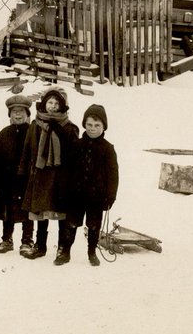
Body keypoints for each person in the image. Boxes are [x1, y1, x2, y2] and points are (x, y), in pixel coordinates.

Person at [18, 87, 78, 260]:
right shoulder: (35, 125)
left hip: (60, 178)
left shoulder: (69, 127)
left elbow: (74, 155)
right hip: (40, 175)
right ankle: (40, 246)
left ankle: (62, 249)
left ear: (63, 106)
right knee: (40, 214)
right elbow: (27, 150)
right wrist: (23, 172)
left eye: (57, 103)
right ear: (44, 104)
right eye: (50, 102)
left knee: (61, 215)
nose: (52, 106)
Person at [59, 103, 119, 266]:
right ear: (84, 124)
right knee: (70, 224)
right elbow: (66, 170)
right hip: (75, 195)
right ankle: (65, 252)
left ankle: (92, 252)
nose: (92, 128)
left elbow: (113, 175)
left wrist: (110, 196)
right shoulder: (76, 146)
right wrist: (64, 191)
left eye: (97, 125)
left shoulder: (108, 149)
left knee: (94, 226)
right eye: (89, 125)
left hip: (96, 197)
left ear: (104, 127)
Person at [0, 92, 33, 254]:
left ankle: (27, 240)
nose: (18, 114)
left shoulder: (33, 132)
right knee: (7, 211)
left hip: (26, 179)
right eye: (14, 111)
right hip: (7, 180)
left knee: (27, 211)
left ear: (27, 114)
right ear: (9, 115)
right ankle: (6, 239)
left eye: (21, 111)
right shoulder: (3, 133)